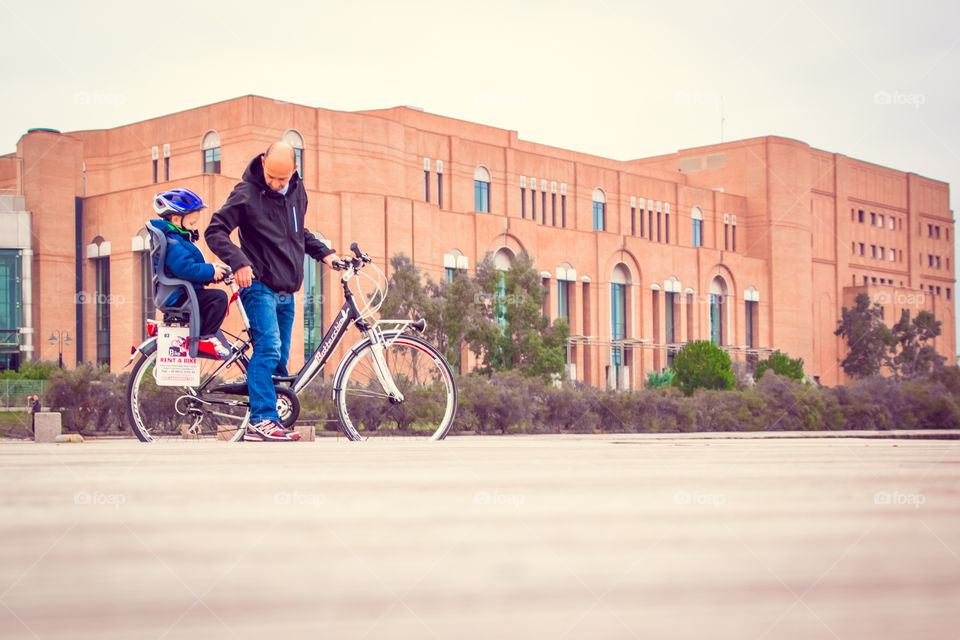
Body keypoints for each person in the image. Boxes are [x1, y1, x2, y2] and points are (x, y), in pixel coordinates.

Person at [206, 142, 340, 442]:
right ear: (263, 162)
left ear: (294, 170)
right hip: (258, 285)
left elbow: (298, 235)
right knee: (267, 348)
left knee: (278, 359)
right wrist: (239, 262)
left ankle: (274, 417)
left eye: (282, 179)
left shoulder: (296, 193)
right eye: (271, 177)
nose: (277, 184)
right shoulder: (246, 194)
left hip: (286, 290)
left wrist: (326, 254)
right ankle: (261, 420)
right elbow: (214, 230)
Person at [149, 188, 230, 353]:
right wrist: (209, 271)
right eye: (192, 223)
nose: (194, 228)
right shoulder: (173, 241)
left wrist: (211, 275)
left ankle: (203, 336)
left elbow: (185, 270)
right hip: (177, 296)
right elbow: (185, 268)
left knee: (213, 299)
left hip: (178, 292)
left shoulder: (174, 238)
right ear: (177, 219)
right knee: (218, 298)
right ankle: (204, 337)